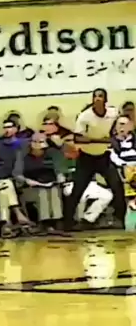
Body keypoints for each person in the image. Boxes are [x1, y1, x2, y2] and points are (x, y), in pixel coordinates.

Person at [64, 88, 125, 231]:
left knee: (117, 186)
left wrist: (114, 137)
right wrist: (103, 140)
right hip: (86, 158)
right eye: (95, 96)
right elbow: (78, 138)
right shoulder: (85, 116)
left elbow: (116, 126)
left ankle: (120, 219)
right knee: (78, 190)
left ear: (105, 100)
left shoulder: (113, 113)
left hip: (103, 157)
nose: (97, 98)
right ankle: (67, 222)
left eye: (100, 96)